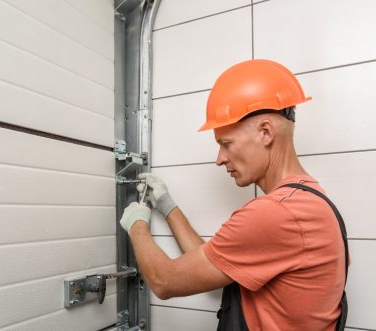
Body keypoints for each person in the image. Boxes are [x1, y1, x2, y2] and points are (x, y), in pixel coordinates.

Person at [119, 59, 346, 330]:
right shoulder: (312, 201)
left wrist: (137, 225)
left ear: (265, 132)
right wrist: (169, 208)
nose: (219, 159)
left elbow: (165, 281)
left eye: (226, 144)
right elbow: (215, 259)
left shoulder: (275, 214)